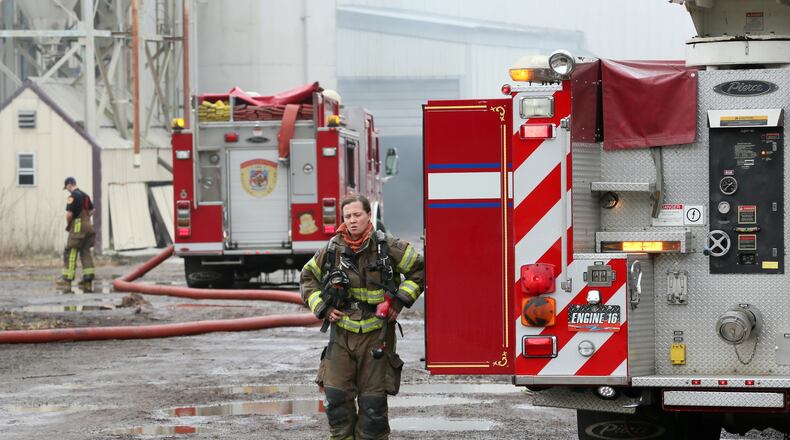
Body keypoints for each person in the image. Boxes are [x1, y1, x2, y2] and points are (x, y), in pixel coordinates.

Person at [300, 194, 424, 440]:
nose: (352, 220)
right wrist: (323, 308)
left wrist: (398, 301)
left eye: (357, 215)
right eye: (347, 216)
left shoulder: (387, 247)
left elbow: (419, 269)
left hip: (377, 337)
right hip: (341, 335)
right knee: (336, 401)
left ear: (369, 215)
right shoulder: (333, 249)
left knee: (373, 408)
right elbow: (307, 278)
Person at [56, 177, 96, 293]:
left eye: (67, 188)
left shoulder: (72, 196)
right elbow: (92, 210)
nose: (67, 190)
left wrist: (70, 224)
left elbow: (69, 214)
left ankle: (67, 280)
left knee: (71, 251)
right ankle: (87, 281)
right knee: (85, 251)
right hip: (89, 227)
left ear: (69, 185)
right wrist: (86, 219)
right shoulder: (85, 195)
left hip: (78, 228)